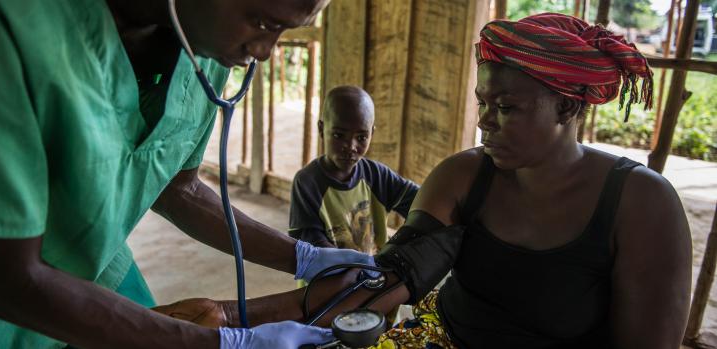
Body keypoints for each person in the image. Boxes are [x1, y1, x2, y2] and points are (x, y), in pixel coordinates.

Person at [156, 13, 693, 349]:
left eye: (507, 107)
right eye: (483, 103)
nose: (484, 122)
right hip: (439, 338)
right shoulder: (465, 176)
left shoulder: (642, 206)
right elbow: (383, 282)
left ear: (569, 106)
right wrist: (232, 319)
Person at [0, 0, 375, 348]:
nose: (265, 51)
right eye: (261, 22)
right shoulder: (13, 27)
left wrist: (303, 257)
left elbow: (179, 188)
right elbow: (9, 278)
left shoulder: (203, 46)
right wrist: (221, 344)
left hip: (97, 263)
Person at [289, 86, 419, 254]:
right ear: (322, 129)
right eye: (338, 135)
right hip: (327, 279)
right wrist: (358, 267)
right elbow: (312, 244)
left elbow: (420, 203)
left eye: (361, 138)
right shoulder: (307, 183)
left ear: (372, 133)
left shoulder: (377, 175)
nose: (350, 147)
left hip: (371, 276)